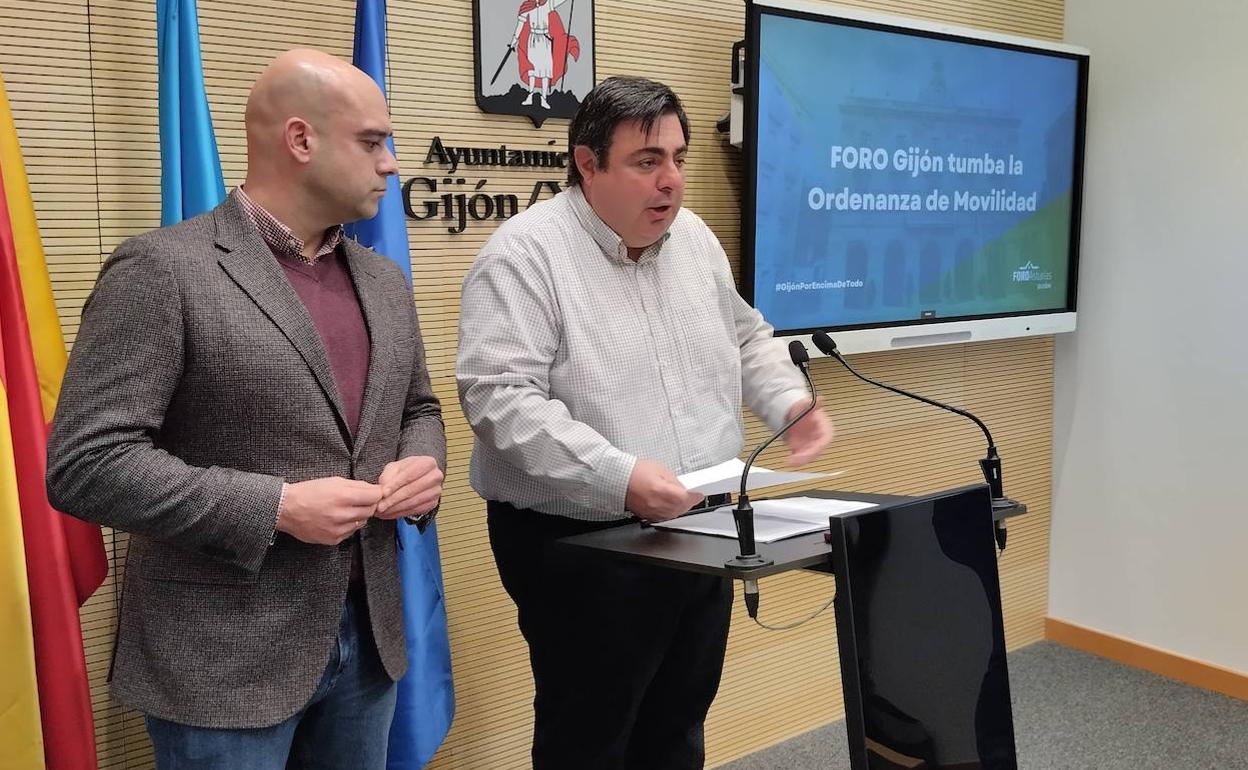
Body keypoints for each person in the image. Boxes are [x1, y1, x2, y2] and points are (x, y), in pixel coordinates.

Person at [45, 49, 445, 770]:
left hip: (370, 641)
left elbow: (418, 406)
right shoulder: (163, 271)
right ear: (300, 140)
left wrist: (423, 463)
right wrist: (276, 506)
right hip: (221, 664)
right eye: (371, 140)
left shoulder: (384, 281)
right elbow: (85, 464)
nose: (391, 163)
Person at [456, 76, 835, 770]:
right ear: (588, 163)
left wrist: (789, 401)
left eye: (679, 159)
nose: (671, 182)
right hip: (583, 540)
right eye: (646, 161)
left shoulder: (693, 240)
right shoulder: (524, 255)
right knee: (592, 735)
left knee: (678, 722)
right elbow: (498, 398)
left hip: (703, 524)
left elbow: (748, 338)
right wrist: (620, 476)